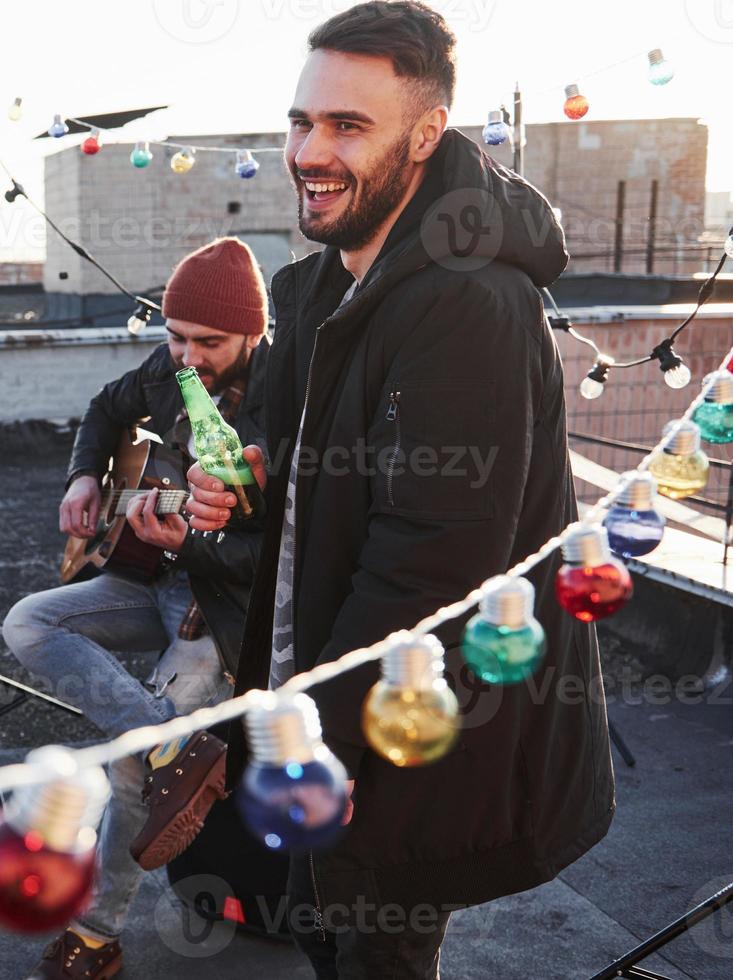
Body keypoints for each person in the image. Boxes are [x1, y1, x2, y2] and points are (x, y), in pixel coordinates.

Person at [184, 4, 614, 978]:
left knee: (370, 951)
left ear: (425, 135)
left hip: (398, 733)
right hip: (321, 706)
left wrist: (292, 736)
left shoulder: (469, 302)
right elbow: (299, 474)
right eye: (299, 122)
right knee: (321, 937)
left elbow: (428, 564)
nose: (308, 151)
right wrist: (240, 487)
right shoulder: (318, 288)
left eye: (346, 125)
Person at [2, 239, 270, 978]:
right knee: (27, 620)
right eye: (175, 337)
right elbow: (102, 407)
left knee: (127, 773)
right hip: (149, 575)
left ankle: (94, 936)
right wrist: (83, 475)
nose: (188, 357)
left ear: (253, 331)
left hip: (219, 608)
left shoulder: (283, 399)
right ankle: (169, 744)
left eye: (209, 343)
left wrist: (198, 545)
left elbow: (283, 550)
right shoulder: (168, 368)